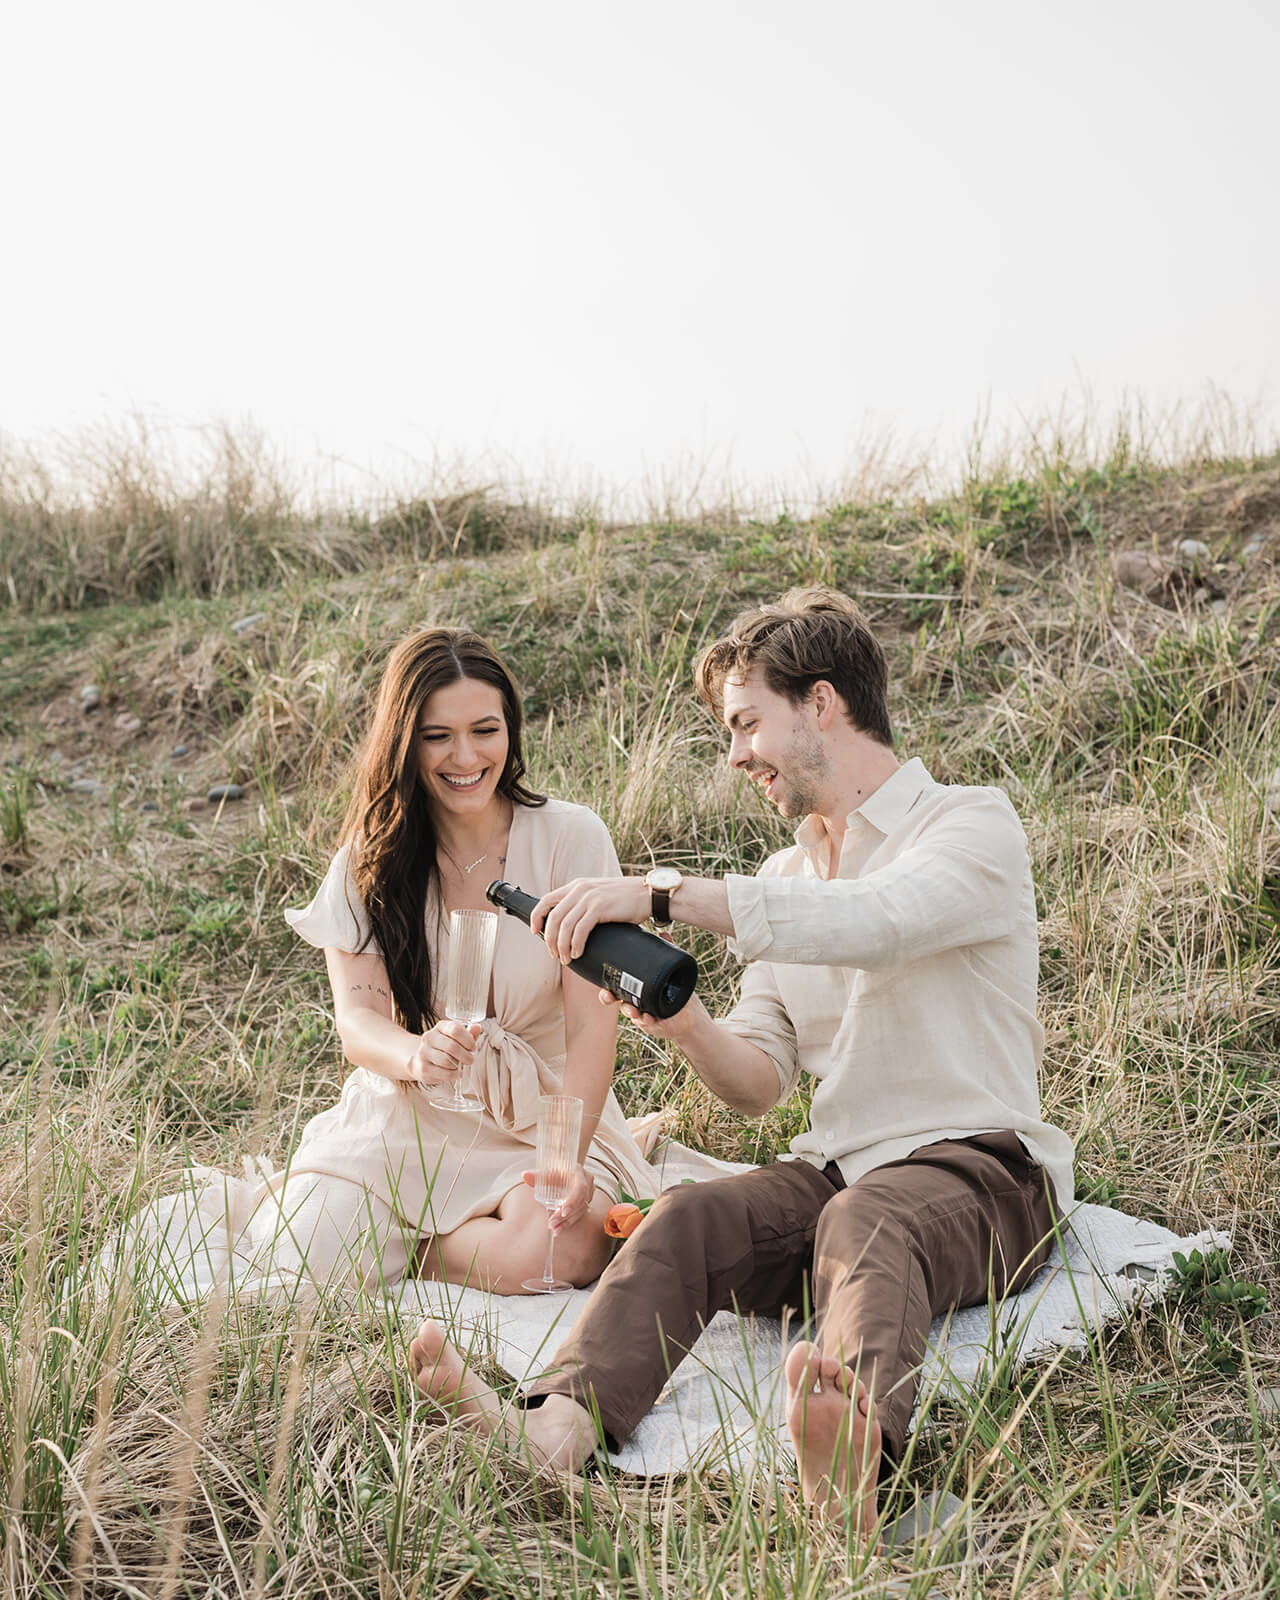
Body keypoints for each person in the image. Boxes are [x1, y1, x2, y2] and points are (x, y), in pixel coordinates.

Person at [409, 587, 1076, 1540]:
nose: (735, 756)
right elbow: (761, 1081)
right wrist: (678, 1024)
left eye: (745, 722)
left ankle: (859, 1473)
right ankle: (555, 1428)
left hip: (986, 1170)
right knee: (690, 1215)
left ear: (822, 703)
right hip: (839, 1176)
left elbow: (878, 924)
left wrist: (659, 893)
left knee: (867, 1216)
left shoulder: (970, 825)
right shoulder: (780, 880)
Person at [266, 625, 659, 1295]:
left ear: (511, 730)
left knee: (558, 1248)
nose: (466, 756)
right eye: (437, 736)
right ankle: (428, 1235)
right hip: (416, 1104)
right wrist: (415, 1055)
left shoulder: (569, 838)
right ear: (404, 742)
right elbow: (357, 1020)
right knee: (302, 1254)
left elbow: (591, 1030)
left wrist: (565, 1157)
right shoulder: (372, 857)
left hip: (541, 1105)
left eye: (485, 730)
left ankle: (419, 1253)